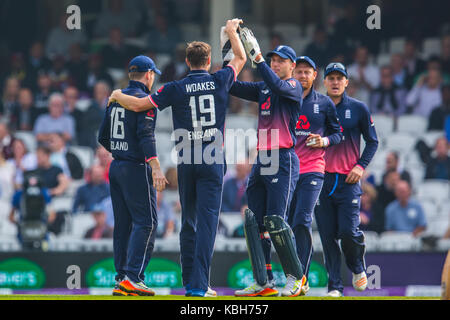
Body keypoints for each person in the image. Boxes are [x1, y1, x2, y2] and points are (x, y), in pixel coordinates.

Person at [107, 19, 246, 297]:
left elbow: (138, 104)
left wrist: (117, 95)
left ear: (186, 61)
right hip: (211, 159)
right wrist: (231, 31)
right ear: (208, 61)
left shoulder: (174, 87)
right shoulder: (220, 79)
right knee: (207, 224)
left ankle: (188, 281)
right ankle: (198, 285)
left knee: (189, 223)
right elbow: (240, 57)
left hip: (186, 160)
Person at [228, 40, 305, 296]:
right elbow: (232, 85)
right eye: (273, 59)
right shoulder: (264, 88)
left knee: (276, 221)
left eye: (281, 60)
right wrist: (231, 53)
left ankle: (297, 278)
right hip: (262, 157)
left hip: (283, 158)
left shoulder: (293, 86)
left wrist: (258, 59)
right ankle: (264, 281)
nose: (275, 62)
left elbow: (276, 84)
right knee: (256, 221)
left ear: (292, 66)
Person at [98, 55, 168, 297]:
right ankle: (133, 278)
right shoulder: (144, 100)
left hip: (116, 167)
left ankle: (121, 278)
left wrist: (120, 151)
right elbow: (146, 135)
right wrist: (155, 165)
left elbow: (102, 137)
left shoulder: (115, 99)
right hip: (136, 167)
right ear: (149, 74)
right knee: (147, 222)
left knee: (123, 226)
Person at [315, 62, 378, 297]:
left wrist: (361, 167)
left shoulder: (359, 108)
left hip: (349, 181)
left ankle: (358, 267)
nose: (334, 82)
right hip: (321, 180)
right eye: (330, 77)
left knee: (348, 232)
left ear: (346, 82)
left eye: (339, 78)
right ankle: (335, 287)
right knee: (328, 236)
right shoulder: (315, 107)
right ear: (324, 82)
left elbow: (372, 141)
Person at [288, 56, 343, 295]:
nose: (302, 76)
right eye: (298, 72)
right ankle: (298, 278)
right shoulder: (283, 99)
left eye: (306, 72)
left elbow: (338, 133)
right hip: (286, 170)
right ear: (292, 73)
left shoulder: (324, 103)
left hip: (312, 170)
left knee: (302, 220)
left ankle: (300, 276)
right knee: (288, 225)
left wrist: (324, 140)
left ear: (314, 75)